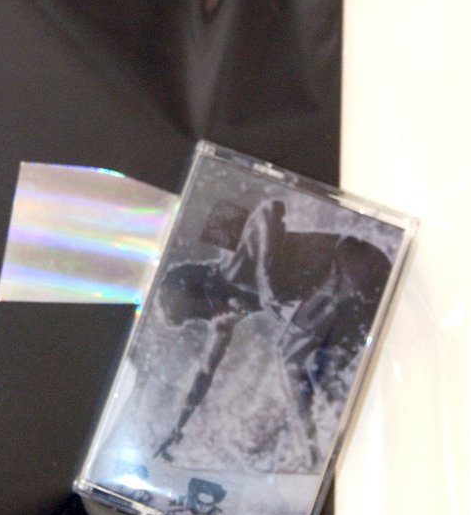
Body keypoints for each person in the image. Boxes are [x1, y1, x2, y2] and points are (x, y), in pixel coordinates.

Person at [152, 198, 391, 468]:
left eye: (205, 311)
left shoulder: (233, 262)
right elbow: (205, 372)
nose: (214, 318)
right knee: (323, 374)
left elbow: (269, 207)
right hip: (359, 292)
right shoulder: (224, 318)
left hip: (356, 262)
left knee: (288, 355)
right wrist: (178, 426)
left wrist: (264, 278)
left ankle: (310, 452)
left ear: (207, 285)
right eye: (202, 319)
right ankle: (338, 452)